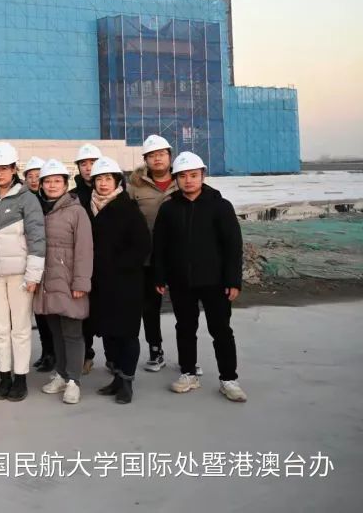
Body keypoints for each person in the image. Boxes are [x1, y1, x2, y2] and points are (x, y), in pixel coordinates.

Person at [153, 152, 247, 403]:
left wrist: (233, 280)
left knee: (221, 330)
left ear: (203, 176)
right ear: (176, 179)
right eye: (183, 176)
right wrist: (160, 276)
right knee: (185, 328)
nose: (188, 180)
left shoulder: (220, 206)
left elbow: (233, 246)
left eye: (193, 175)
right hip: (181, 281)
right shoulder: (169, 208)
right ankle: (188, 373)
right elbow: (160, 246)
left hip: (215, 281)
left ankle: (229, 379)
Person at [0, 142, 46, 402]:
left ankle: (21, 378)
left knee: (21, 328)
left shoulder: (28, 199)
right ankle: (4, 376)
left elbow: (37, 238)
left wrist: (33, 274)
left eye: (4, 168)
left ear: (14, 169)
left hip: (19, 274)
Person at [85, 157, 151, 405]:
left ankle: (127, 381)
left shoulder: (128, 208)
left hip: (125, 283)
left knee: (127, 334)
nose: (103, 184)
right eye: (99, 179)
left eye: (108, 179)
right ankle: (116, 378)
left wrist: (118, 266)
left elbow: (142, 245)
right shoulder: (90, 208)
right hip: (100, 284)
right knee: (110, 333)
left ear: (117, 181)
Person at [32, 159, 93, 405]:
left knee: (72, 333)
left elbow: (84, 250)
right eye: (47, 181)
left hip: (69, 282)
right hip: (47, 282)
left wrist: (81, 283)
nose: (52, 185)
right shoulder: (39, 210)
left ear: (66, 184)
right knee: (56, 332)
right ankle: (62, 373)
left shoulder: (77, 212)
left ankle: (74, 381)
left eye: (57, 181)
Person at [127, 135, 179, 374]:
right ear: (145, 160)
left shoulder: (183, 180)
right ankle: (155, 350)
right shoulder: (135, 186)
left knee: (185, 308)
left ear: (170, 156)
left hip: (179, 255)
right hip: (147, 257)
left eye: (161, 154)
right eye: (152, 155)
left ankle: (188, 356)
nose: (157, 159)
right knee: (150, 307)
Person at [21, 155, 54, 373]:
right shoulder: (22, 200)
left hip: (50, 262)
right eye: (30, 176)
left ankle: (54, 353)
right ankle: (46, 352)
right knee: (39, 313)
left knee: (50, 313)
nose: (34, 180)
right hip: (29, 261)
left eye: (37, 176)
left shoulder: (50, 200)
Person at [73, 142, 103, 374]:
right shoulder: (74, 196)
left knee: (108, 310)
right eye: (83, 163)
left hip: (107, 261)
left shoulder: (116, 192)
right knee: (83, 312)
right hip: (82, 260)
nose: (88, 167)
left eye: (92, 162)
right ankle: (86, 354)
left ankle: (114, 358)